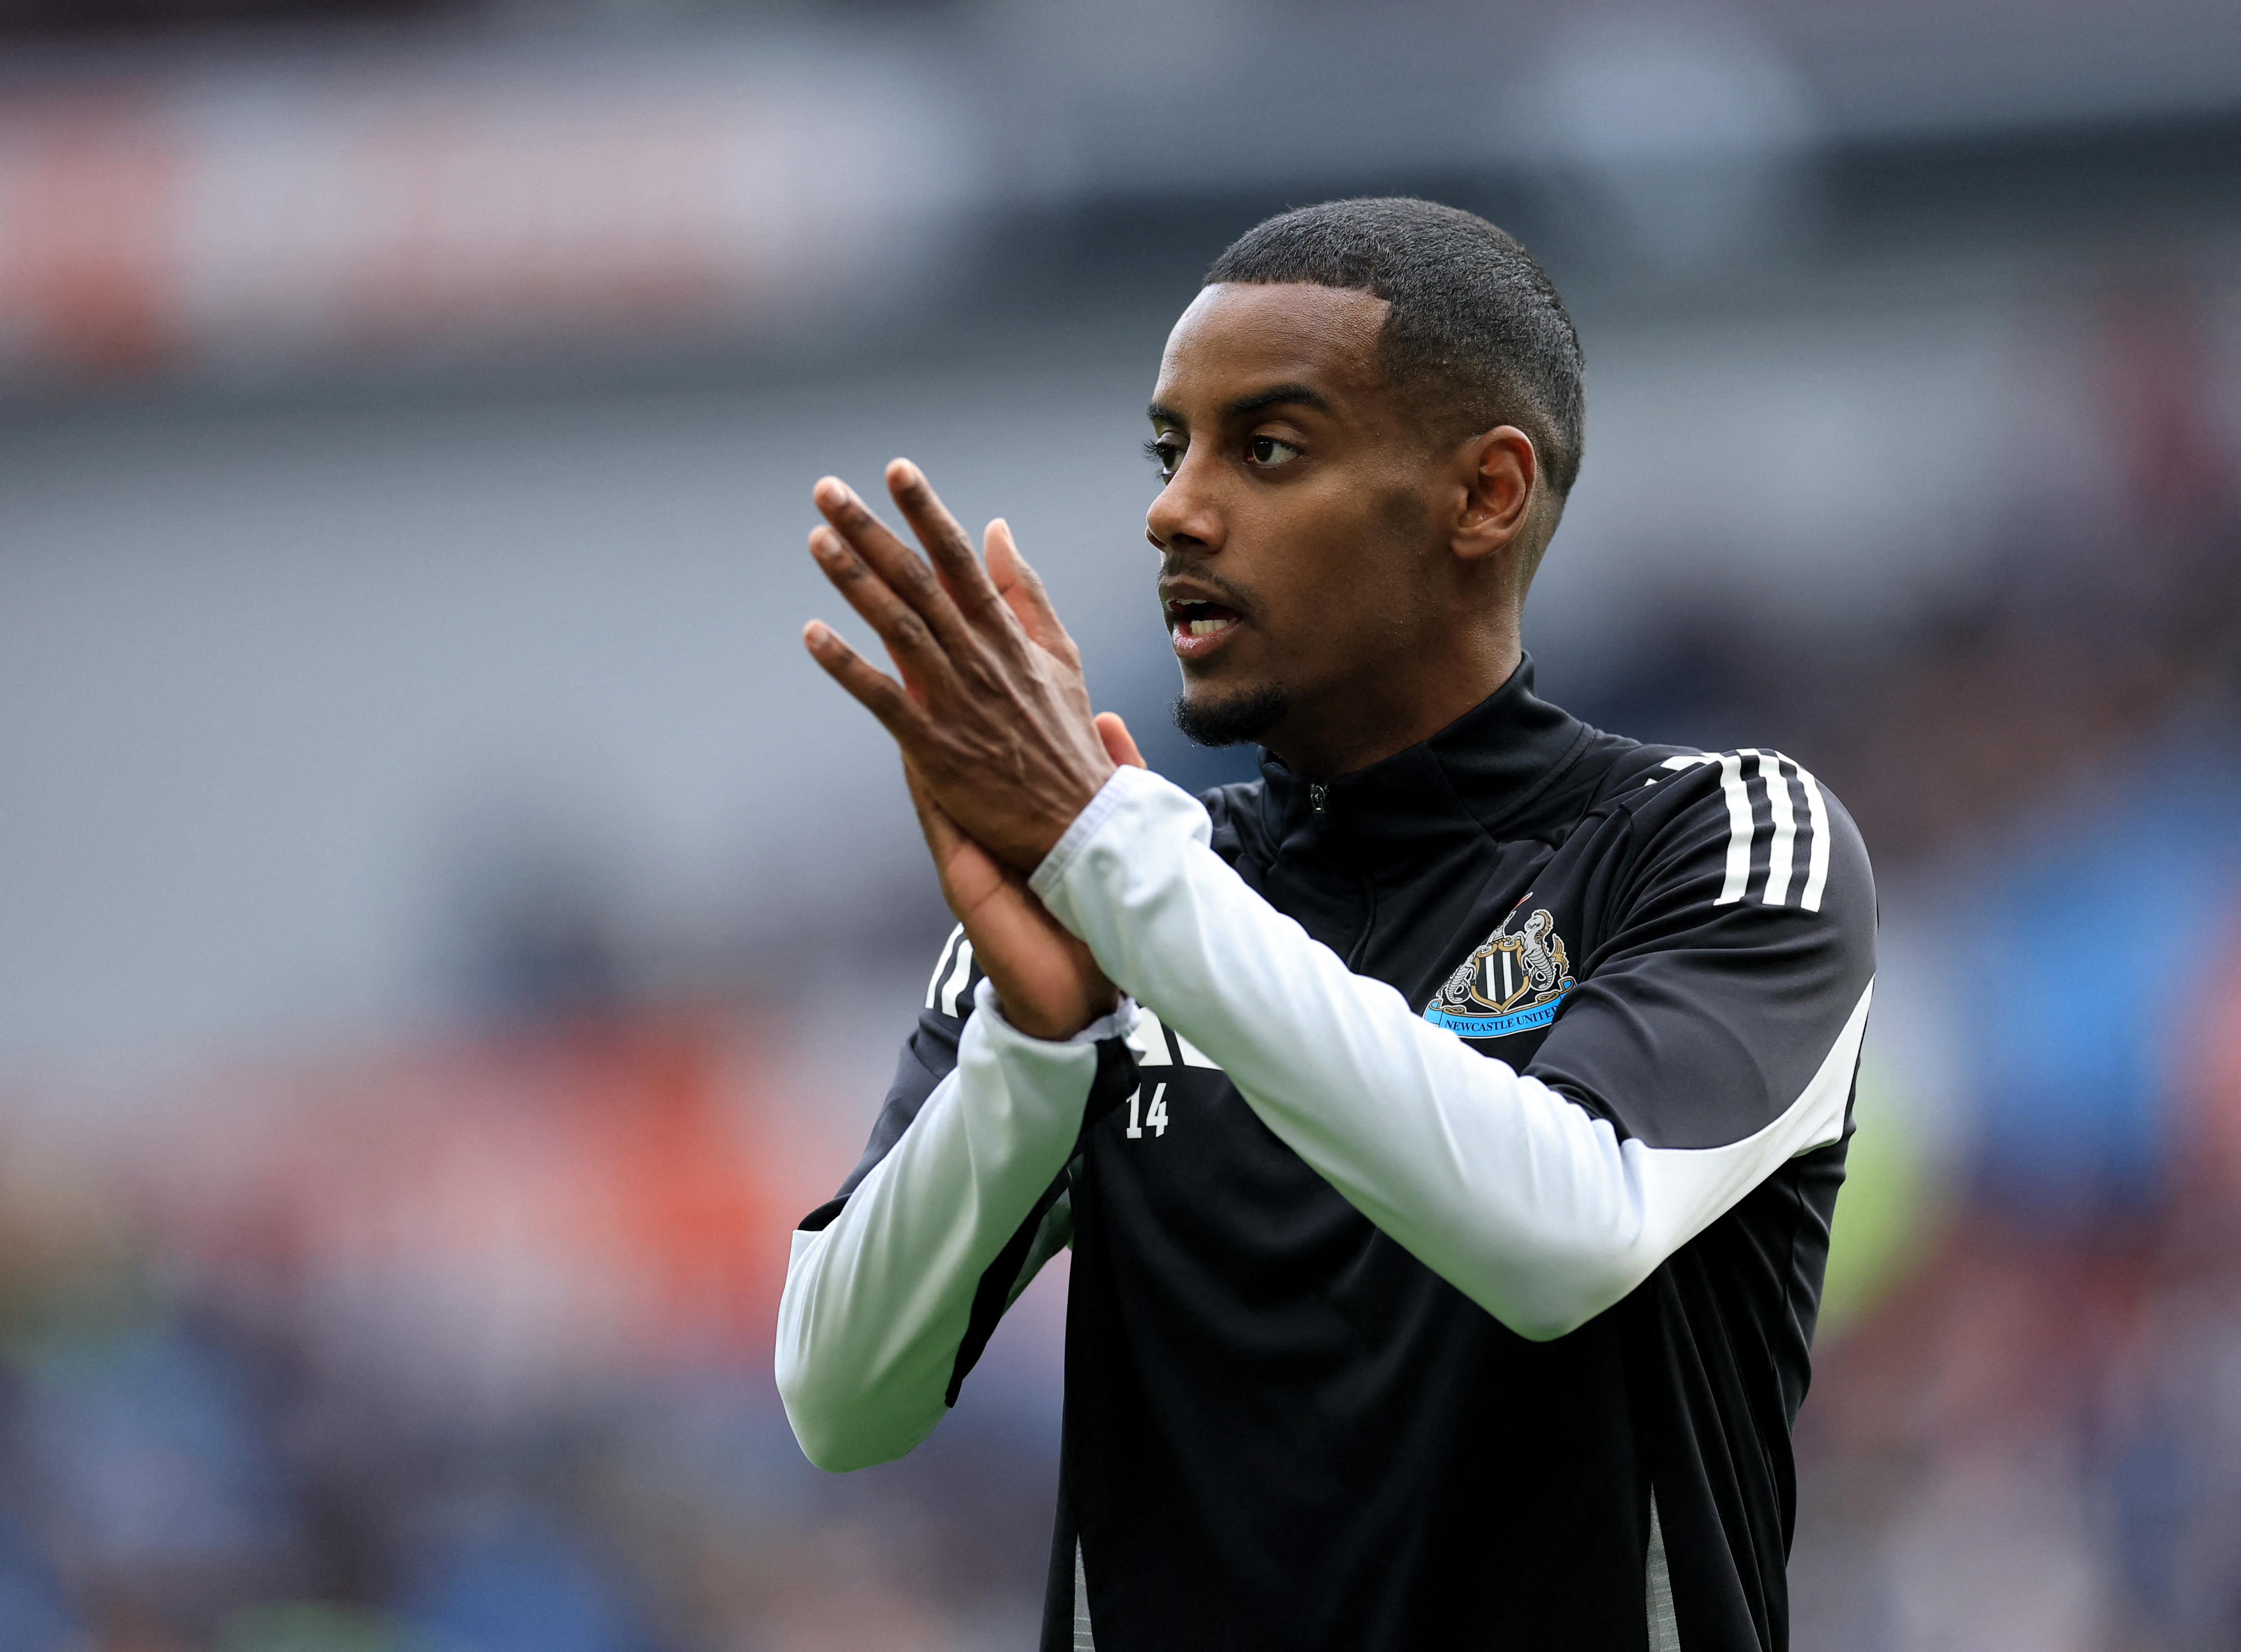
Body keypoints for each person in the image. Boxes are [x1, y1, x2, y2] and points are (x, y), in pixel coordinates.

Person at [775, 198, 1875, 1652]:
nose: (1175, 508)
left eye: (1267, 446)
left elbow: (1567, 1231)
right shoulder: (1109, 901)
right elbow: (842, 1399)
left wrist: (1124, 866)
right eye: (1169, 451)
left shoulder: (1715, 833)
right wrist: (1033, 1048)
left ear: (1484, 494)